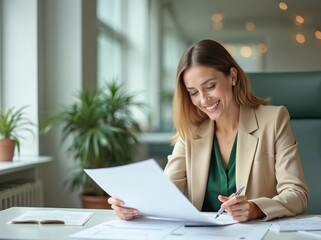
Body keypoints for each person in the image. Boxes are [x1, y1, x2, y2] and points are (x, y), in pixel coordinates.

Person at [108, 39, 309, 222]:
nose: (204, 100)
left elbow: (297, 193)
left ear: (232, 76)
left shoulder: (273, 120)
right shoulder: (191, 131)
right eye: (194, 93)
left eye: (210, 86)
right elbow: (166, 191)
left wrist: (255, 208)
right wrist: (131, 205)